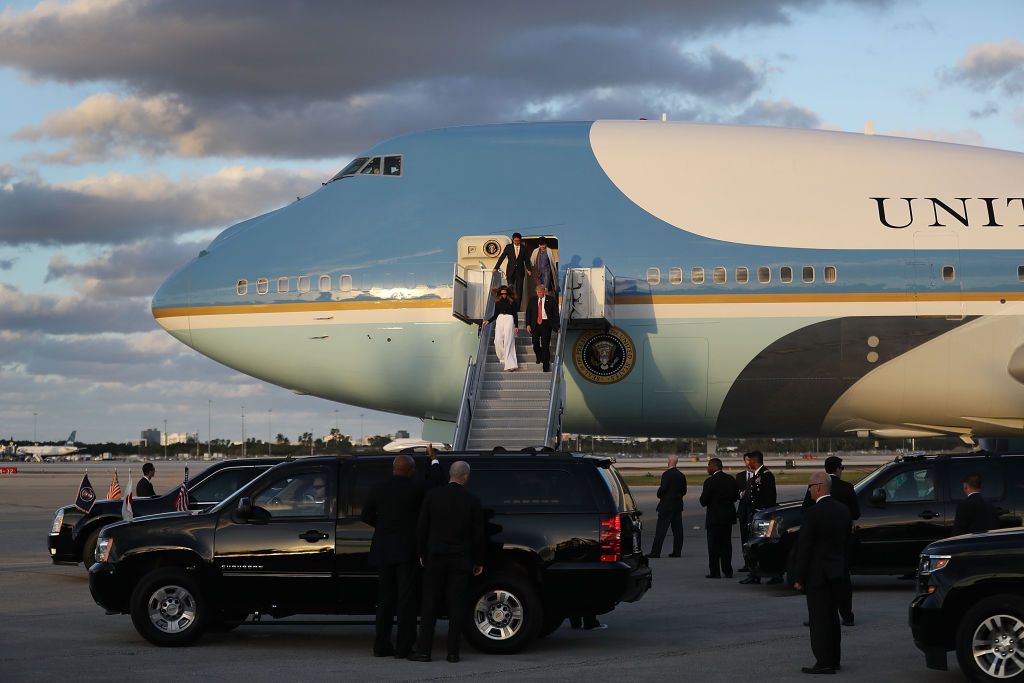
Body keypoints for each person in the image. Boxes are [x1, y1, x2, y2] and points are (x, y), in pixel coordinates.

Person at [409, 461, 485, 664]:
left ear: (450, 474)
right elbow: (478, 534)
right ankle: (453, 653)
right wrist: (478, 560)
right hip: (461, 559)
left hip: (435, 557)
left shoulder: (432, 496)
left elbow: (422, 528)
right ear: (466, 477)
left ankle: (424, 651)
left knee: (429, 605)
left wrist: (421, 553)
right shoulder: (472, 500)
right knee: (456, 606)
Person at [361, 455, 434, 658]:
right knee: (406, 601)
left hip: (383, 549)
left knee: (385, 601)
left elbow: (366, 515)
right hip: (407, 550)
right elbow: (435, 489)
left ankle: (381, 645)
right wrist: (434, 463)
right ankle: (403, 647)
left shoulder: (378, 487)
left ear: (394, 468)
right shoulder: (418, 488)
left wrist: (383, 526)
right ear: (410, 470)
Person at [793, 472, 851, 675]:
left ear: (818, 487)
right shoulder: (843, 510)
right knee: (833, 619)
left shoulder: (813, 513)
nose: (808, 490)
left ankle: (823, 661)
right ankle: (834, 659)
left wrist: (799, 578)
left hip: (817, 575)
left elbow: (805, 548)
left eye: (809, 486)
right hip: (837, 572)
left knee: (819, 620)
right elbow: (847, 544)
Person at [802, 455, 859, 625]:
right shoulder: (847, 488)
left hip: (819, 543)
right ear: (837, 469)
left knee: (818, 583)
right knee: (843, 581)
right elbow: (856, 513)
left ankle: (817, 617)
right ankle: (847, 616)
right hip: (841, 541)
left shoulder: (816, 486)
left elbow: (806, 510)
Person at [739, 451, 778, 584]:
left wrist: (764, 514)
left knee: (765, 547)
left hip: (763, 516)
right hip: (756, 515)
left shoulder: (766, 475)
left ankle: (774, 574)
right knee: (756, 547)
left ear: (754, 462)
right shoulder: (756, 476)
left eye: (749, 461)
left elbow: (770, 498)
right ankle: (755, 574)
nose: (747, 463)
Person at [700, 457, 739, 578]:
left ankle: (715, 572)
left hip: (714, 518)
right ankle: (728, 570)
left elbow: (703, 501)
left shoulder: (709, 482)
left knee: (713, 547)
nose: (707, 468)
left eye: (709, 466)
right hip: (727, 517)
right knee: (726, 545)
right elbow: (735, 497)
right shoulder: (730, 479)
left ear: (715, 466)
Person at [649, 455, 686, 558]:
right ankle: (677, 552)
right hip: (677, 506)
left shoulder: (666, 474)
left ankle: (656, 552)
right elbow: (684, 491)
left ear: (669, 461)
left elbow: (663, 488)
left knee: (661, 530)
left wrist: (659, 494)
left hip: (666, 506)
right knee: (678, 530)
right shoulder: (681, 475)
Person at [482, 286, 519, 371]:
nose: (504, 295)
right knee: (497, 340)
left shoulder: (512, 302)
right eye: (502, 293)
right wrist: (488, 321)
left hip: (509, 319)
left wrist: (516, 326)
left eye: (505, 293)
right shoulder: (497, 302)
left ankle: (510, 364)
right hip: (500, 319)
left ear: (507, 293)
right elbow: (495, 315)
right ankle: (503, 358)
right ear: (500, 293)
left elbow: (515, 314)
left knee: (508, 341)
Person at [525, 284, 560, 372]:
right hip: (535, 325)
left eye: (540, 292)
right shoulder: (533, 300)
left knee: (545, 345)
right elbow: (528, 313)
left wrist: (557, 326)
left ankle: (546, 365)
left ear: (544, 291)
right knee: (535, 343)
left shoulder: (551, 300)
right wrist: (528, 324)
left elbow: (555, 314)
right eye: (537, 292)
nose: (539, 294)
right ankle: (539, 356)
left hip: (546, 324)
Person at [492, 232, 531, 303]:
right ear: (512, 240)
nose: (516, 242)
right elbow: (502, 257)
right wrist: (496, 267)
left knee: (519, 289)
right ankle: (511, 303)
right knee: (510, 288)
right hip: (510, 271)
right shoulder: (508, 247)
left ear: (520, 240)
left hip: (520, 271)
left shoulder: (524, 248)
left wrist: (529, 269)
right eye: (515, 240)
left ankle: (517, 306)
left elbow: (527, 260)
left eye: (518, 241)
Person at [736, 453, 753, 572]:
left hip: (754, 510)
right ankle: (746, 563)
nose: (749, 462)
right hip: (743, 511)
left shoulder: (760, 475)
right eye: (747, 460)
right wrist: (741, 494)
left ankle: (754, 564)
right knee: (744, 538)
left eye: (751, 460)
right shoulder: (739, 476)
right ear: (744, 461)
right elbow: (735, 493)